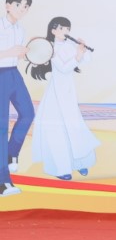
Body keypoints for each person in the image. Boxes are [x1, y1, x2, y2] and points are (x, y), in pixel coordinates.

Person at [28, 16, 98, 181]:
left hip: (68, 92)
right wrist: (77, 56)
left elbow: (87, 59)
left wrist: (83, 49)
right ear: (53, 30)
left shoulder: (70, 45)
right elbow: (63, 68)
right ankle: (59, 168)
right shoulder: (50, 48)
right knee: (56, 130)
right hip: (55, 93)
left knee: (74, 126)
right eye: (61, 28)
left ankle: (80, 162)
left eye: (67, 29)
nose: (65, 32)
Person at [0, 0, 33, 196]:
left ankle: (11, 153)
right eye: (19, 4)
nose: (22, 9)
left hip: (14, 74)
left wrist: (23, 54)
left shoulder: (21, 30)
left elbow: (16, 56)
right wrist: (9, 52)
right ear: (7, 5)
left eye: (26, 6)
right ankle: (3, 183)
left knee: (28, 113)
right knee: (1, 127)